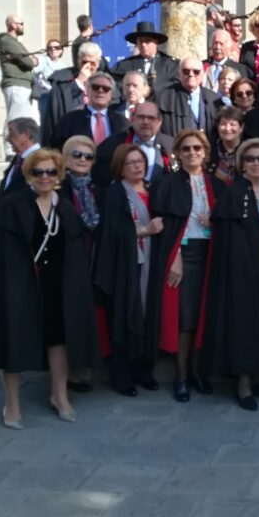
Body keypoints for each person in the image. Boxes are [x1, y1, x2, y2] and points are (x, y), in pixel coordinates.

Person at [0, 148, 97, 428]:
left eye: (51, 171)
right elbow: (2, 254)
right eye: (39, 172)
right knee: (12, 341)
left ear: (59, 175)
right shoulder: (12, 206)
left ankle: (59, 396)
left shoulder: (65, 207)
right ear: (29, 175)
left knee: (58, 341)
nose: (45, 177)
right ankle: (12, 404)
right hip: (19, 286)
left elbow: (73, 250)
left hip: (56, 286)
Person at [200, 138, 259, 410]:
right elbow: (229, 239)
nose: (256, 163)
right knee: (245, 321)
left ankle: (257, 374)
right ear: (242, 164)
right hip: (244, 267)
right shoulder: (234, 193)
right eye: (250, 159)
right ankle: (243, 383)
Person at [152, 129, 221, 403]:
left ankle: (196, 372)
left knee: (203, 316)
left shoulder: (217, 184)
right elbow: (166, 224)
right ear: (178, 154)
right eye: (186, 148)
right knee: (185, 318)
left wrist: (213, 221)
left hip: (209, 254)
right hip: (183, 254)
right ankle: (180, 377)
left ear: (205, 153)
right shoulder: (167, 184)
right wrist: (176, 257)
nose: (192, 152)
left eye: (197, 148)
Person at [93, 144, 165, 396]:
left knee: (148, 315)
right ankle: (122, 377)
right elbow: (111, 233)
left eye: (140, 161)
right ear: (120, 168)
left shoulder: (153, 190)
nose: (136, 166)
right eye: (130, 163)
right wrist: (146, 230)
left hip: (152, 262)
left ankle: (144, 371)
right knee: (124, 317)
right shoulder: (115, 193)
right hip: (124, 266)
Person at [58, 134, 100, 394]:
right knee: (67, 319)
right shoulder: (56, 187)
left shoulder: (98, 188)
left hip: (92, 257)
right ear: (65, 157)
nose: (83, 160)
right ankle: (63, 379)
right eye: (77, 155)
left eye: (88, 156)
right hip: (66, 261)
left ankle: (78, 372)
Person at [92, 101, 173, 194]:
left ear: (159, 122)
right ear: (132, 119)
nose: (145, 122)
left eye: (151, 118)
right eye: (141, 117)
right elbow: (100, 179)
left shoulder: (171, 145)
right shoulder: (113, 144)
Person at [43, 41, 105, 144]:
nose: (88, 66)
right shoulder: (63, 78)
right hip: (71, 134)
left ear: (98, 63)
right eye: (84, 62)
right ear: (78, 60)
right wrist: (79, 81)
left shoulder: (104, 81)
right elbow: (60, 103)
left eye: (92, 63)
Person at [0, 14, 39, 157]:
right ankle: (9, 150)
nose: (23, 26)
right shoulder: (7, 41)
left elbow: (34, 60)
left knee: (22, 118)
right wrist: (29, 58)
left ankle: (21, 148)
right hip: (16, 83)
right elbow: (29, 62)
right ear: (13, 25)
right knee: (14, 118)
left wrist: (30, 58)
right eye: (21, 23)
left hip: (23, 84)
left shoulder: (16, 43)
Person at [51, 72, 129, 149]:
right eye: (95, 87)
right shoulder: (68, 120)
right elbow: (57, 148)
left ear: (111, 94)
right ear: (87, 90)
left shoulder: (122, 121)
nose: (100, 91)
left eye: (106, 88)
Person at [157, 56, 219, 137]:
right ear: (179, 74)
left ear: (203, 74)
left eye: (196, 72)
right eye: (186, 71)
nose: (191, 74)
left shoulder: (214, 99)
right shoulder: (164, 97)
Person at [114, 21, 176, 92]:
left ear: (156, 42)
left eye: (147, 40)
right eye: (140, 40)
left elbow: (174, 85)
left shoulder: (170, 65)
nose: (143, 44)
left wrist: (152, 89)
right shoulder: (124, 65)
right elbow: (116, 85)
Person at [0, 117, 41, 201]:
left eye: (11, 132)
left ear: (26, 134)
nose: (7, 138)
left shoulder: (41, 161)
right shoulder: (18, 160)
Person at [33, 38, 70, 128]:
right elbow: (33, 74)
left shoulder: (62, 65)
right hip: (45, 95)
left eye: (56, 47)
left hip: (57, 97)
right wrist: (40, 85)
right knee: (45, 120)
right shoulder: (42, 60)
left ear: (61, 51)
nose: (53, 50)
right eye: (50, 48)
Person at [208, 105, 246, 185]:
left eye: (232, 124)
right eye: (223, 124)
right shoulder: (209, 152)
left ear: (241, 128)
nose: (227, 128)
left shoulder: (248, 151)